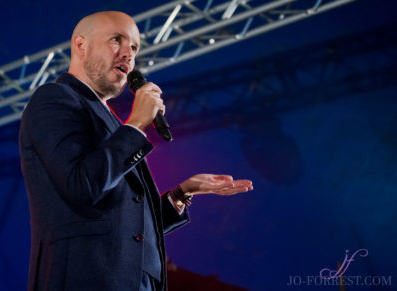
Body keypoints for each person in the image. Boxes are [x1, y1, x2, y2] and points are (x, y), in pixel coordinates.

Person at [19, 11, 253, 291]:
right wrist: (137, 124)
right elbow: (81, 184)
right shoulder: (55, 98)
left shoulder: (109, 119)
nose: (128, 54)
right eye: (116, 40)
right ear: (81, 45)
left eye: (134, 48)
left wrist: (181, 194)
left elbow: (127, 226)